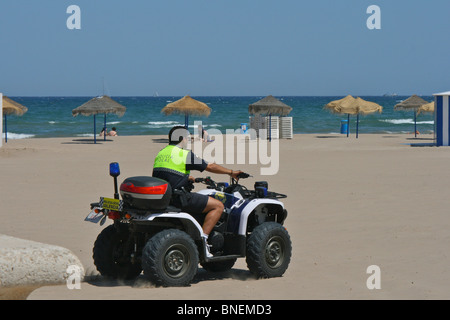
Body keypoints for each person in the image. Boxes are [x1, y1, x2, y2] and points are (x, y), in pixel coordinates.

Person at [153, 126, 243, 258]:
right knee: (218, 206)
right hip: (179, 198)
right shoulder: (184, 154)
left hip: (163, 196)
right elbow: (210, 166)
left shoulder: (161, 153)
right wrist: (232, 172)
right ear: (182, 139)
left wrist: (187, 178)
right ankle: (204, 240)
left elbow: (166, 174)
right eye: (188, 138)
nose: (188, 140)